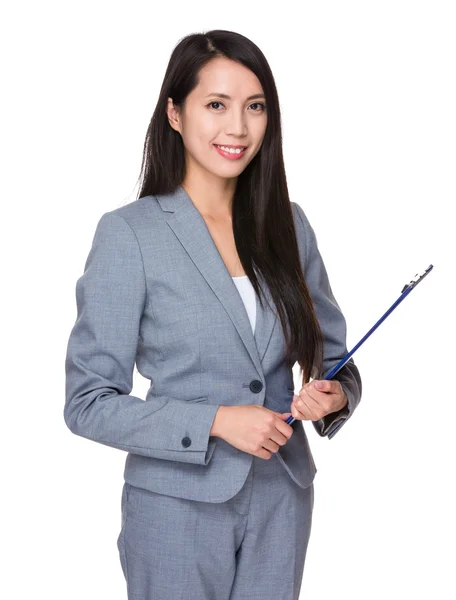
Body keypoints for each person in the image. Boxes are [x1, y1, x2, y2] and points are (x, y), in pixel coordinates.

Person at [64, 29, 362, 600]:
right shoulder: (131, 234)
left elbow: (335, 356)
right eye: (216, 105)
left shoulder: (289, 225)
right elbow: (87, 403)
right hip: (175, 508)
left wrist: (337, 393)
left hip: (283, 497)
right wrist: (216, 421)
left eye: (255, 107)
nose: (239, 128)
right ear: (175, 114)